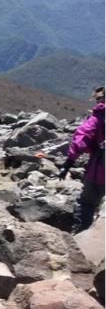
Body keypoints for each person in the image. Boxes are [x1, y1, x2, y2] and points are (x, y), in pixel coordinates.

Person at [59, 86, 105, 232]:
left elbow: (81, 139)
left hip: (100, 169)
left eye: (98, 99)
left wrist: (68, 163)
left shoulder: (99, 116)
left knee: (87, 203)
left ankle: (81, 240)